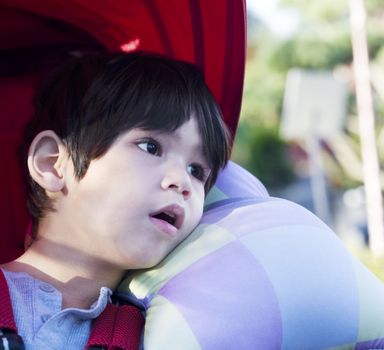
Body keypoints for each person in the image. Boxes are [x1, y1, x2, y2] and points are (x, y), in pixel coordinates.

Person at [0, 51, 231, 349]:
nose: (182, 182)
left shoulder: (159, 337)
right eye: (151, 146)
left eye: (197, 171)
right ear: (52, 163)